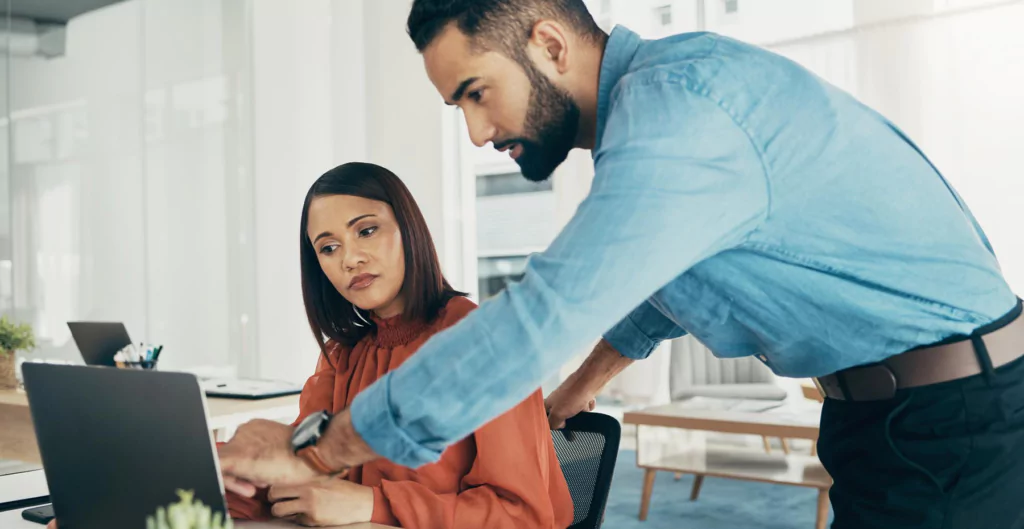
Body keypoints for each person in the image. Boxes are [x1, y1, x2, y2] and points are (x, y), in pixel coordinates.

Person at [219, 2, 1024, 528]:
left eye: (475, 92)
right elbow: (664, 292)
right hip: (889, 413)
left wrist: (320, 452)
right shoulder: (658, 106)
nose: (474, 132)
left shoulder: (680, 114)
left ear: (546, 40)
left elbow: (538, 319)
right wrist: (578, 392)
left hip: (955, 415)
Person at [221, 162, 572, 528]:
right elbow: (304, 471)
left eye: (367, 231)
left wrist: (372, 505)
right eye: (328, 248)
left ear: (408, 228)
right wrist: (222, 474)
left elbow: (523, 517)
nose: (350, 259)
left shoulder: (487, 342)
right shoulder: (342, 355)